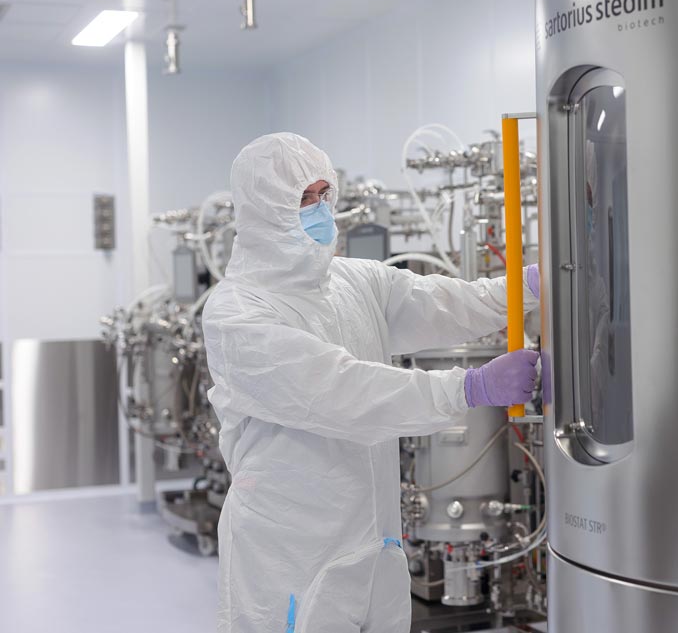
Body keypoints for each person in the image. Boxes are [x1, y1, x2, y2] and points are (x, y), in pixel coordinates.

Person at [202, 133, 541, 633]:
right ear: (259, 210)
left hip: (376, 539)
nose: (318, 210)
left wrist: (530, 286)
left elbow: (447, 302)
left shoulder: (353, 282)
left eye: (323, 194)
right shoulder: (237, 312)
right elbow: (339, 391)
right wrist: (469, 388)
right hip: (292, 551)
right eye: (301, 198)